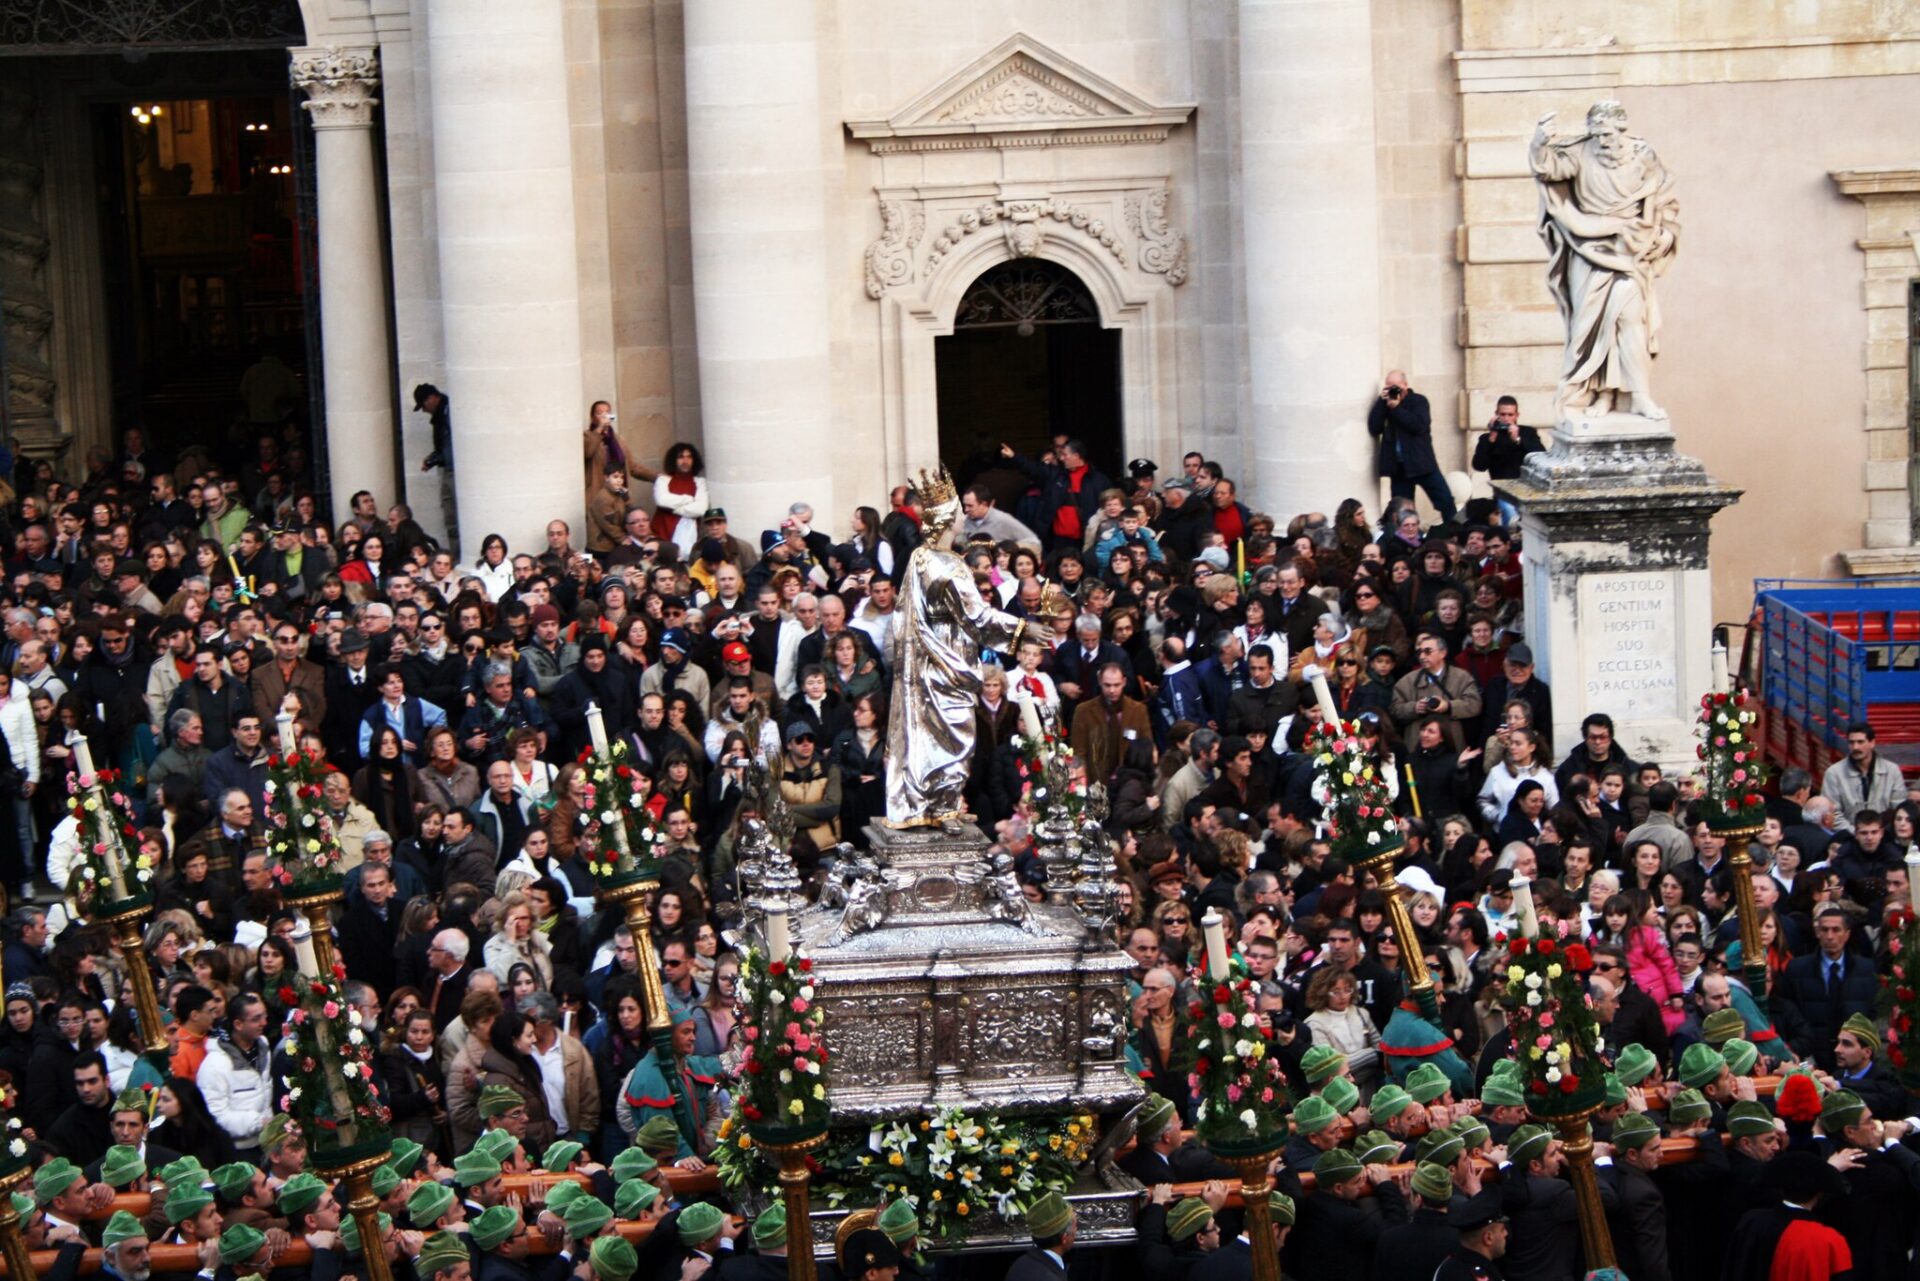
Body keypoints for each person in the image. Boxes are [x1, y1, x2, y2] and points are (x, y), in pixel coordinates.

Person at [883, 467, 1028, 827]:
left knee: (926, 732)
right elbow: (977, 618)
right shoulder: (949, 565)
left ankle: (925, 803)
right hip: (948, 658)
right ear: (947, 521)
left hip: (927, 659)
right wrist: (1024, 628)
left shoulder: (919, 557)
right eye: (958, 515)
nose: (963, 520)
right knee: (955, 734)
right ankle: (943, 802)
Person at [1529, 101, 1678, 420]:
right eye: (1596, 134)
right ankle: (1602, 395)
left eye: (1607, 134)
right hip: (1588, 248)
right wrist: (1540, 142)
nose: (1602, 141)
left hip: (1630, 248)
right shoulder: (1581, 154)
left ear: (1621, 130)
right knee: (1594, 328)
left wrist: (1664, 233)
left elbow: (1664, 199)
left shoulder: (1644, 157)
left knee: (1629, 318)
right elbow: (1548, 169)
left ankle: (1638, 394)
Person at [1367, 370, 1455, 522]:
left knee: (1445, 501)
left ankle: (1457, 532)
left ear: (1405, 385)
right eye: (1388, 386)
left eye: (1395, 386)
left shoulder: (1418, 401)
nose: (1392, 389)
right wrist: (1382, 403)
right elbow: (1374, 427)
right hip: (1399, 468)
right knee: (1401, 510)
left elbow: (1418, 426)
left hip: (1422, 463)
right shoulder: (1385, 404)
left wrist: (1396, 408)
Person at [1471, 396, 1546, 527]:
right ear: (1496, 415)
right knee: (1509, 513)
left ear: (1516, 415)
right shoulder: (1487, 439)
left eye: (1510, 415)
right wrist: (1492, 438)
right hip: (1503, 492)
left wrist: (1518, 439)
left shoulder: (1527, 433)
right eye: (1502, 414)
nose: (1506, 418)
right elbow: (1479, 465)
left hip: (1526, 489)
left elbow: (1540, 456)